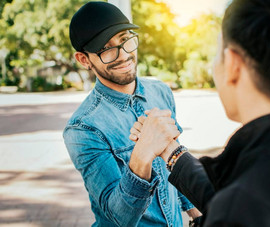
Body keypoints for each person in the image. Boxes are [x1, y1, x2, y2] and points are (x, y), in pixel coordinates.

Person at [130, 0, 270, 226]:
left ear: (233, 65)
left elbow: (241, 202)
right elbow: (237, 194)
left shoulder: (239, 208)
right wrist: (171, 151)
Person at [63, 2, 200, 226]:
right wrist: (142, 154)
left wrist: (197, 213)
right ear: (84, 60)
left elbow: (173, 169)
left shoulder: (161, 92)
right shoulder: (83, 128)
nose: (123, 55)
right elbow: (119, 217)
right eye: (106, 49)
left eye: (125, 40)